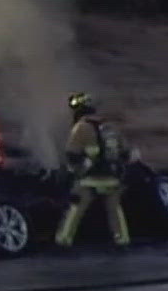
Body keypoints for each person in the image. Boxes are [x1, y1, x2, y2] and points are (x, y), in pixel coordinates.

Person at [55, 92, 132, 248]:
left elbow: (72, 154)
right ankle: (122, 239)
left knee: (75, 208)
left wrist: (71, 172)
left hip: (88, 181)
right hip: (112, 179)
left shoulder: (81, 128)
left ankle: (64, 240)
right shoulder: (110, 127)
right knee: (115, 210)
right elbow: (125, 152)